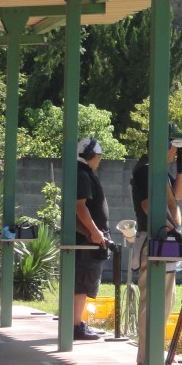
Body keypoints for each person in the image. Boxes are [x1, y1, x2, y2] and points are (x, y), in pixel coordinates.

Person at [130, 123, 182, 365]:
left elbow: (178, 195)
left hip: (165, 243)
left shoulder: (158, 170)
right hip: (156, 242)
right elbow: (147, 205)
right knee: (153, 301)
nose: (176, 151)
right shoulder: (147, 170)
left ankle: (154, 353)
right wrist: (170, 230)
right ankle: (149, 356)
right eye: (175, 146)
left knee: (165, 301)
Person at [75, 137, 111, 341]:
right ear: (89, 156)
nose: (99, 160)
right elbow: (80, 207)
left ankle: (77, 323)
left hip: (90, 239)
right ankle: (76, 325)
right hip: (88, 241)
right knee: (83, 281)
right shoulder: (83, 175)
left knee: (84, 281)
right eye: (98, 156)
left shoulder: (83, 174)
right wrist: (95, 232)